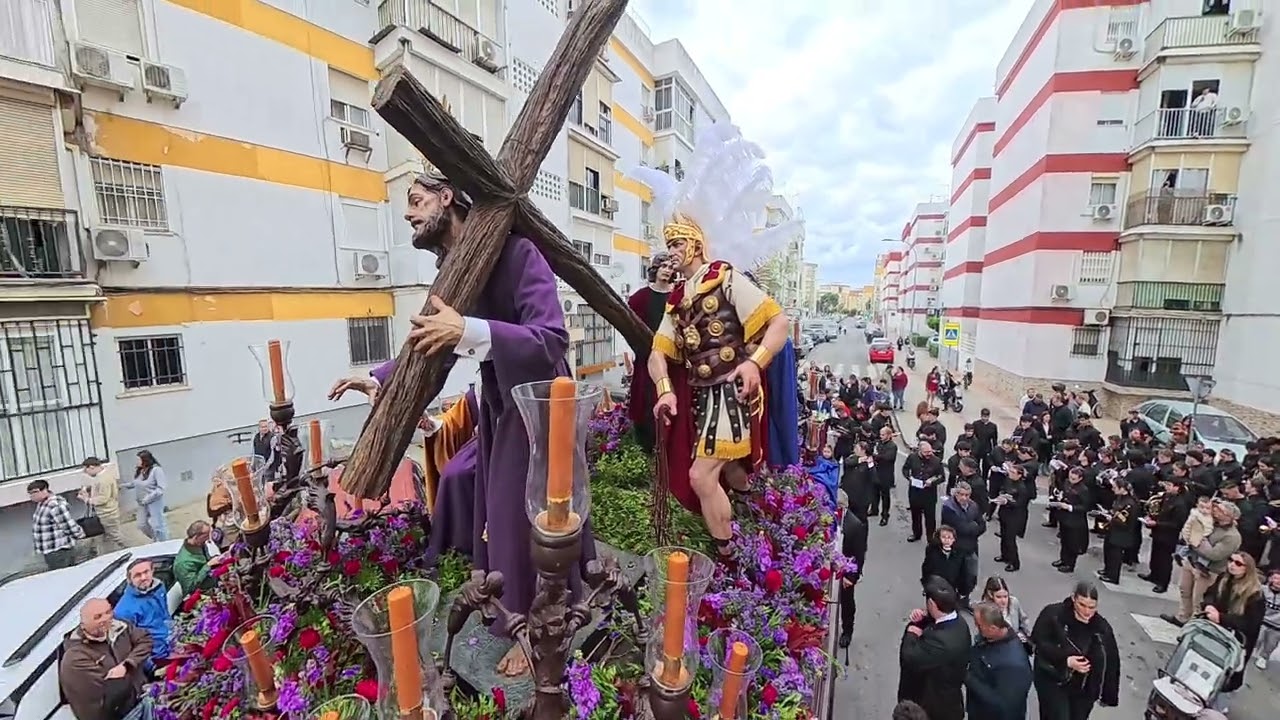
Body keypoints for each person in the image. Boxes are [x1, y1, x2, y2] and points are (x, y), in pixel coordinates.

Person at [329, 169, 582, 677]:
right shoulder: (453, 269)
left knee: (528, 512)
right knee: (499, 505)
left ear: (449, 197)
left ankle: (541, 629)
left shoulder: (518, 253)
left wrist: (466, 328)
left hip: (541, 400)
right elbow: (435, 340)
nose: (408, 213)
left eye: (417, 200)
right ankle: (514, 608)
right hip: (498, 398)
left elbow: (551, 340)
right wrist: (381, 378)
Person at [636, 122, 799, 562]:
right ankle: (750, 515)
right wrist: (666, 391)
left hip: (731, 393)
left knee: (701, 476)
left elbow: (779, 321)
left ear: (696, 246)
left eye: (678, 243)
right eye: (668, 244)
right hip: (703, 399)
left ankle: (727, 552)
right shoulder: (677, 300)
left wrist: (754, 363)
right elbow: (657, 353)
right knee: (729, 470)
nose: (672, 250)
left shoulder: (724, 278)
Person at [1030, 582, 1121, 720]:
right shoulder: (1053, 615)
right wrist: (1065, 660)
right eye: (1082, 605)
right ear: (1073, 598)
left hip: (1084, 689)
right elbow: (1039, 643)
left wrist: (1108, 694)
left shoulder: (1101, 628)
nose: (1087, 612)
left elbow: (1111, 660)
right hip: (1054, 680)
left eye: (1092, 607)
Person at [60, 598, 152, 720]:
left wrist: (128, 664)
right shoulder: (76, 658)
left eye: (108, 612)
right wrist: (134, 665)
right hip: (122, 714)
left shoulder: (119, 625)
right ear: (83, 624)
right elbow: (110, 689)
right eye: (97, 617)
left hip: (142, 698)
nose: (105, 619)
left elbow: (145, 640)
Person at [898, 576, 972, 720]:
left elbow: (909, 657)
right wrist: (923, 619)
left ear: (931, 603)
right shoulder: (959, 624)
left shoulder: (941, 642)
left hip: (934, 707)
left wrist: (912, 631)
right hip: (949, 700)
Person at [1200, 551, 1265, 711]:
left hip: (1237, 641)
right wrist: (1208, 605)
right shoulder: (1224, 578)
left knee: (1226, 677)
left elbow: (1250, 624)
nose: (1232, 565)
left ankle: (1219, 709)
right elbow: (1210, 593)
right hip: (1216, 632)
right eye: (1231, 560)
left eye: (1238, 563)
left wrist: (1221, 617)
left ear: (1247, 569)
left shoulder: (1255, 594)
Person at [626, 253, 677, 453]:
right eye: (662, 266)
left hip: (672, 362)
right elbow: (631, 330)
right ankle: (647, 449)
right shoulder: (640, 298)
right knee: (645, 404)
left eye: (670, 266)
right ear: (655, 269)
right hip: (646, 360)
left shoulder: (677, 297)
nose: (667, 269)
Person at [1163, 500, 1242, 627]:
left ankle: (1194, 625)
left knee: (1199, 600)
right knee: (1185, 590)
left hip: (1209, 570)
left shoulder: (1232, 536)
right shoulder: (1209, 522)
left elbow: (1214, 554)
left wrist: (1196, 543)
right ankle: (1183, 617)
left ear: (1228, 516)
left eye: (1219, 509)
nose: (1215, 510)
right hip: (1191, 562)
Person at [966, 601, 1033, 720]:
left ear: (992, 628)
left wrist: (968, 678)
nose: (976, 627)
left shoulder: (1013, 665)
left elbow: (1003, 703)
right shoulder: (989, 638)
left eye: (979, 625)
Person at [112, 558, 172, 669]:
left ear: (152, 571)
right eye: (137, 575)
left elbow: (164, 615)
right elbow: (127, 646)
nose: (143, 577)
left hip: (172, 645)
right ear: (130, 580)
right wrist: (151, 668)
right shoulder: (124, 610)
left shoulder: (159, 587)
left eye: (146, 572)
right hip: (158, 658)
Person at [28, 478, 86, 570]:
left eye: (35, 492)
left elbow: (67, 525)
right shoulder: (42, 503)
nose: (33, 495)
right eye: (30, 493)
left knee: (63, 574)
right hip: (50, 549)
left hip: (59, 549)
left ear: (45, 490)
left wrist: (79, 535)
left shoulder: (55, 505)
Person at [837, 489, 867, 649]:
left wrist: (852, 576)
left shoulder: (855, 525)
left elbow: (859, 554)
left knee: (847, 602)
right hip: (831, 568)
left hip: (846, 571)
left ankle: (847, 631)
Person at [78, 457, 127, 553]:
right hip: (108, 510)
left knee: (115, 534)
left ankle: (131, 548)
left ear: (91, 467)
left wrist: (86, 499)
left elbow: (103, 498)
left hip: (107, 512)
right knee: (107, 535)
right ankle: (111, 553)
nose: (85, 473)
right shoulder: (103, 476)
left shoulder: (103, 480)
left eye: (85, 470)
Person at [992, 462, 1033, 572]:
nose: (1010, 474)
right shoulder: (1008, 481)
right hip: (1004, 513)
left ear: (1019, 475)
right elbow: (1002, 488)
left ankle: (1014, 562)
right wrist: (1002, 495)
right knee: (1004, 537)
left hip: (1014, 516)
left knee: (1010, 540)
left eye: (1013, 472)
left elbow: (1020, 504)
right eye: (1010, 471)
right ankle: (1004, 555)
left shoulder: (1022, 488)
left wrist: (1007, 501)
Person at [120, 450, 167, 542]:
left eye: (138, 460)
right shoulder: (141, 471)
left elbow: (161, 489)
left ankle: (164, 542)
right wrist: (122, 486)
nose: (136, 462)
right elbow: (135, 483)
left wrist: (148, 497)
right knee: (141, 524)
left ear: (145, 460)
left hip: (154, 501)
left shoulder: (156, 470)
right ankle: (155, 539)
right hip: (142, 502)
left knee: (158, 524)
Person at [904, 440, 945, 542]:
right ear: (920, 451)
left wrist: (932, 481)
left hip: (929, 494)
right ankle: (916, 533)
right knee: (915, 514)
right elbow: (905, 469)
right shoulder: (912, 457)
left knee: (930, 517)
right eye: (926, 452)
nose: (929, 454)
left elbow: (942, 476)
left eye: (930, 451)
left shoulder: (936, 460)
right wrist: (909, 477)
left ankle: (931, 537)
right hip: (915, 492)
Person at [980, 576, 1032, 649]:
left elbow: (1023, 619)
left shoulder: (1014, 602)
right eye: (999, 597)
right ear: (990, 594)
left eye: (1005, 596)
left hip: (1016, 643)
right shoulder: (985, 610)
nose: (1003, 601)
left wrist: (1027, 635)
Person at [174, 521, 218, 595]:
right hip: (203, 595)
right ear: (196, 537)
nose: (208, 539)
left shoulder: (200, 544)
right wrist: (208, 565)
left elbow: (205, 560)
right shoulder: (183, 563)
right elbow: (190, 587)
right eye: (206, 536)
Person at [870, 424, 899, 527]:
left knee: (885, 496)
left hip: (886, 473)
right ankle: (874, 509)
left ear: (889, 435)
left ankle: (885, 515)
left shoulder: (892, 446)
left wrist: (876, 456)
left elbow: (888, 458)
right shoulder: (879, 443)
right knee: (874, 493)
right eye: (880, 434)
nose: (881, 436)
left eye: (883, 435)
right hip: (876, 471)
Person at [1255, 567, 1280, 671]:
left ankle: (1263, 658)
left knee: (1271, 644)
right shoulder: (1262, 590)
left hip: (1277, 626)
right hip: (1262, 621)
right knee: (1257, 638)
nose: (1278, 581)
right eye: (1275, 578)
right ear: (1270, 579)